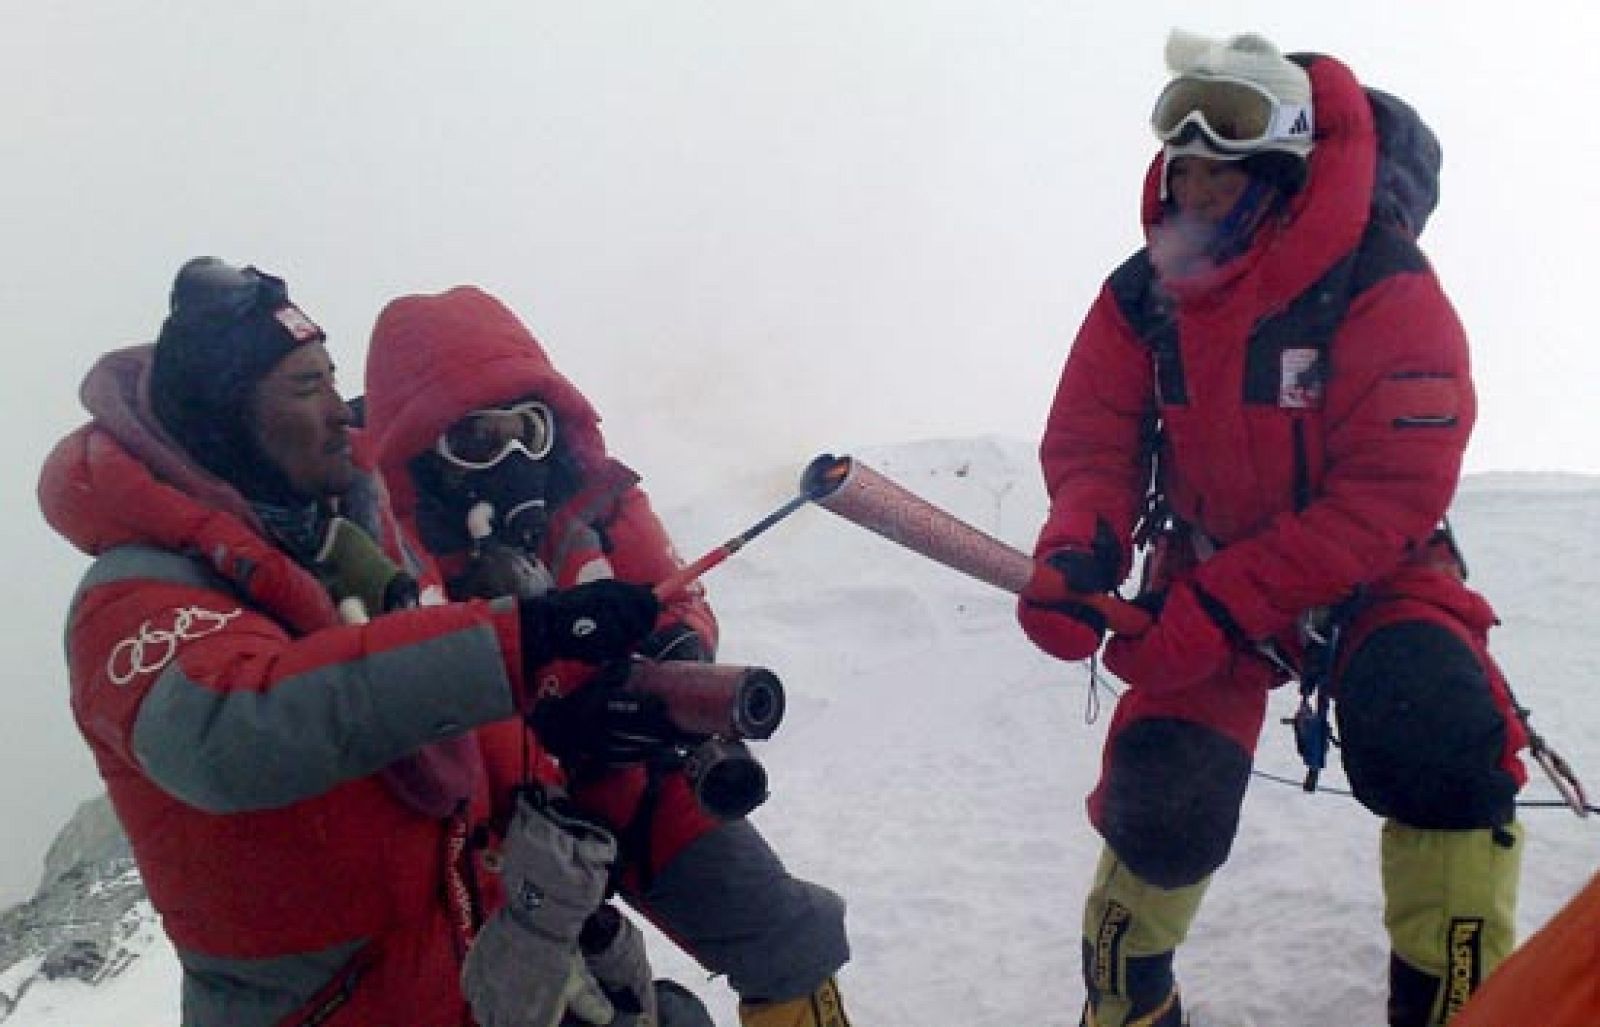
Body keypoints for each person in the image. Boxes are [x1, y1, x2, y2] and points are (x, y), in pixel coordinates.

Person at [1017, 30, 1527, 1027]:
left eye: (1219, 176)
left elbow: (1387, 493)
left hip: (1372, 574)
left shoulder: (1381, 284)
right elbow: (1094, 442)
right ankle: (1127, 1005)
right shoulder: (1140, 296)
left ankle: (1461, 1007)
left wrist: (1219, 599)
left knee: (1441, 737)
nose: (1193, 195)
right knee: (1160, 795)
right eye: (1184, 172)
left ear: (1280, 174)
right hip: (1204, 575)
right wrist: (1079, 547)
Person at [36, 257, 680, 1026]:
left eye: (331, 376)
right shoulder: (132, 595)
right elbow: (236, 732)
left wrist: (552, 774)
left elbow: (429, 718)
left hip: (467, 973)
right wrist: (518, 638)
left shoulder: (344, 541)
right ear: (223, 418)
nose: (343, 409)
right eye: (306, 387)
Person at [360, 284, 853, 1027]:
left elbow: (675, 596)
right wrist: (546, 732)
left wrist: (676, 663)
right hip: (495, 831)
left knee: (785, 933)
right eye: (479, 441)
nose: (517, 460)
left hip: (627, 768)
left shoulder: (595, 496)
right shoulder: (394, 557)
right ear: (423, 453)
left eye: (529, 429)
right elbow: (419, 700)